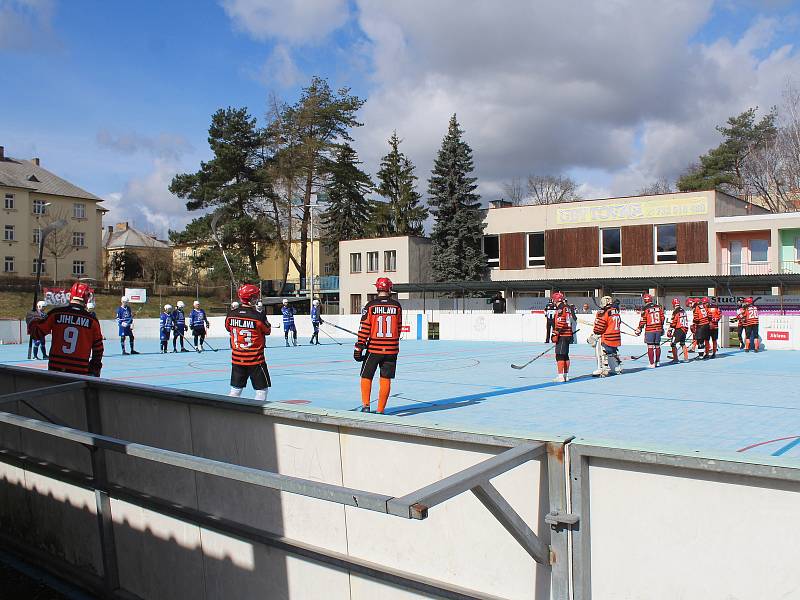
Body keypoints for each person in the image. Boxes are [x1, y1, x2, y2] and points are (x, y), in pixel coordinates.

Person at [28, 281, 103, 376]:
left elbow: (36, 333)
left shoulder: (55, 313)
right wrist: (94, 369)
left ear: (71, 295)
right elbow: (98, 349)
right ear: (86, 298)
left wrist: (32, 319)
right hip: (80, 370)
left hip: (55, 369)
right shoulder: (92, 321)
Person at [355, 277, 402, 414]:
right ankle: (380, 410)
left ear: (377, 288)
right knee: (385, 378)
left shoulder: (370, 305)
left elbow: (364, 327)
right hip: (392, 349)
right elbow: (398, 328)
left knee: (366, 376)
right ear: (389, 289)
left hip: (374, 348)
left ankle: (366, 406)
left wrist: (359, 345)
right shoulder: (396, 306)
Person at [225, 283, 272, 401]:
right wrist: (261, 314)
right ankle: (257, 414)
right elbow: (267, 330)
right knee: (262, 391)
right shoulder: (258, 316)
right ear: (252, 299)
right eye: (255, 297)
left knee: (235, 390)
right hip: (255, 359)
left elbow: (228, 327)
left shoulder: (231, 314)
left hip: (237, 359)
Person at [592, 295, 623, 377]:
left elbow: (600, 327)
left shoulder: (603, 312)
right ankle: (616, 368)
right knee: (612, 352)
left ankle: (602, 369)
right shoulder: (615, 311)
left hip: (607, 337)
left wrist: (595, 334)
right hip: (616, 336)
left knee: (601, 352)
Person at [635, 293, 665, 368]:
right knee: (657, 346)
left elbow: (643, 320)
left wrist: (639, 328)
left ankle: (652, 363)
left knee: (650, 346)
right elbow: (662, 318)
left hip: (650, 330)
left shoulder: (645, 308)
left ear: (645, 300)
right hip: (658, 329)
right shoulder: (658, 307)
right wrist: (661, 327)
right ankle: (657, 362)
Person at [550, 292, 573, 382]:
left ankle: (560, 377)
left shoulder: (560, 308)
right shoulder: (567, 307)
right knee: (565, 355)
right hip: (568, 334)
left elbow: (561, 321)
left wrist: (555, 333)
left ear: (555, 300)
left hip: (562, 335)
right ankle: (566, 375)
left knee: (559, 355)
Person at [667, 298, 689, 363]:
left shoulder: (675, 311)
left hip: (679, 329)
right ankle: (686, 358)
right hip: (684, 329)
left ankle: (675, 359)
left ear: (673, 304)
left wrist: (669, 330)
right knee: (683, 343)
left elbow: (673, 322)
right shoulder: (683, 311)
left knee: (673, 344)